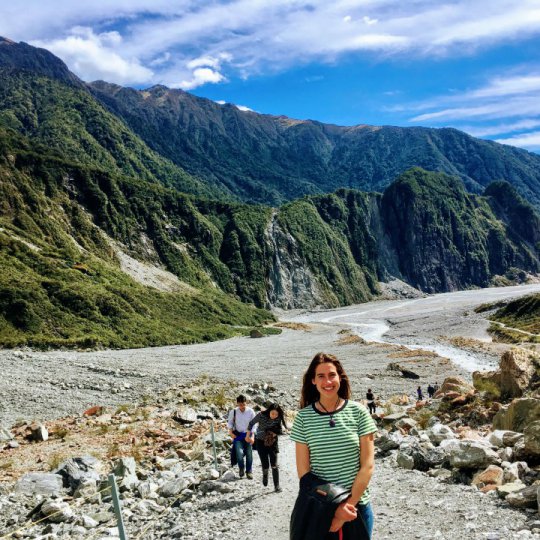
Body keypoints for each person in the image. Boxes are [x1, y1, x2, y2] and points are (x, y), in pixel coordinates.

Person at [291, 352, 377, 538]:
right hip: (320, 509)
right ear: (313, 380)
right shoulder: (303, 418)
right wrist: (335, 509)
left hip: (357, 509)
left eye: (332, 375)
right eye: (321, 376)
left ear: (340, 377)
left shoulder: (359, 412)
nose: (327, 381)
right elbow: (305, 474)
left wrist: (346, 508)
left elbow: (368, 465)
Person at [246, 402, 287, 492]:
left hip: (272, 442)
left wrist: (274, 433)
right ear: (269, 411)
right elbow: (251, 424)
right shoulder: (261, 415)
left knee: (274, 465)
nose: (274, 416)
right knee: (265, 465)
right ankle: (265, 475)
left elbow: (280, 430)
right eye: (272, 413)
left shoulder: (278, 418)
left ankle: (277, 486)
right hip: (260, 442)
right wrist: (248, 436)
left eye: (276, 414)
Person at [227, 395, 256, 479]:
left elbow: (253, 425)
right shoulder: (234, 412)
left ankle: (249, 472)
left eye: (243, 404)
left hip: (248, 435)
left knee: (249, 454)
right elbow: (230, 423)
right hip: (238, 436)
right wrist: (230, 432)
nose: (242, 406)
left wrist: (252, 437)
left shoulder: (251, 412)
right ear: (237, 404)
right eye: (240, 404)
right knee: (239, 454)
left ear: (246, 402)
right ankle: (241, 469)